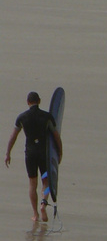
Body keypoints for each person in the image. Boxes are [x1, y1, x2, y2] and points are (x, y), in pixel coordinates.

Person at [5, 91, 63, 222]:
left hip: (30, 154)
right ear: (39, 101)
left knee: (32, 183)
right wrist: (60, 152)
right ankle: (43, 203)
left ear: (28, 102)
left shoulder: (22, 118)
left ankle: (35, 214)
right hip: (43, 154)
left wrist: (8, 153)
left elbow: (13, 136)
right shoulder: (47, 117)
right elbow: (56, 136)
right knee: (46, 180)